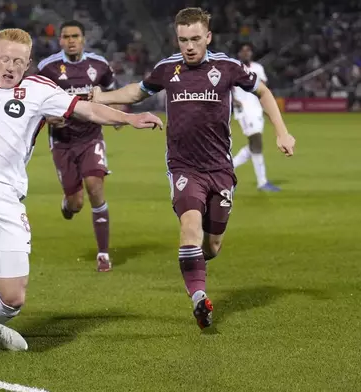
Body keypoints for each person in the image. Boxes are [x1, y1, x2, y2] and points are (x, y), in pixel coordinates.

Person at [0, 28, 163, 356]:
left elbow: (88, 110)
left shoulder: (41, 90)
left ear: (28, 65)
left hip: (8, 197)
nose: (10, 66)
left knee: (14, 297)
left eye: (19, 62)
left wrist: (130, 117)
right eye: (5, 59)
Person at [90, 8, 295, 329]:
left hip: (220, 168)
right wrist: (102, 97)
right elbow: (137, 91)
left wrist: (281, 131)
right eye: (183, 40)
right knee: (189, 228)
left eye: (195, 39)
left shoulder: (227, 67)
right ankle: (199, 299)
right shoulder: (168, 69)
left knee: (211, 246)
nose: (189, 46)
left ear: (208, 37)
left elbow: (264, 92)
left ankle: (195, 261)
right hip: (184, 167)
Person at [37, 20, 118, 272]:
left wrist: (115, 113)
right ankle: (68, 204)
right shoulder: (47, 68)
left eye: (75, 36)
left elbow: (111, 92)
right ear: (60, 40)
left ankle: (103, 254)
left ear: (83, 39)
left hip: (91, 136)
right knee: (76, 203)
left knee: (95, 186)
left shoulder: (99, 65)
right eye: (66, 36)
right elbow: (36, 102)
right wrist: (48, 116)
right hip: (62, 141)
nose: (71, 40)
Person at [232, 42, 280, 191]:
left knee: (254, 145)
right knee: (256, 142)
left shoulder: (258, 68)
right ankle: (262, 182)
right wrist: (233, 101)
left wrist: (266, 105)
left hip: (256, 109)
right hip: (244, 110)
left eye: (248, 51)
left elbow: (264, 88)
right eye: (243, 51)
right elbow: (226, 88)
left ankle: (226, 168)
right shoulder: (233, 68)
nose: (246, 53)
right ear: (239, 53)